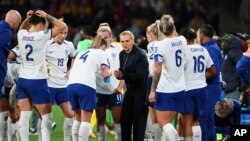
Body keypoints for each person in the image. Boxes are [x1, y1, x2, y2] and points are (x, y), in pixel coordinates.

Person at [16, 10, 66, 141]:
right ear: (41, 25)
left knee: (25, 115)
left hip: (22, 79)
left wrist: (26, 19)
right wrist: (46, 15)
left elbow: (21, 28)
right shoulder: (40, 36)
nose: (46, 28)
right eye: (45, 25)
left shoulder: (21, 34)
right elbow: (62, 27)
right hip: (37, 80)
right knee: (46, 117)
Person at [148, 14, 186, 141]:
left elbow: (157, 68)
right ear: (173, 26)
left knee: (163, 122)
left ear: (160, 29)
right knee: (169, 122)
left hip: (165, 89)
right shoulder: (182, 40)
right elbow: (174, 34)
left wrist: (153, 90)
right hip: (180, 88)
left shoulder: (159, 45)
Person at [68, 35, 111, 141]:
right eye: (105, 47)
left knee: (77, 117)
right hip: (86, 85)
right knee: (86, 120)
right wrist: (111, 73)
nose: (106, 50)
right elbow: (105, 74)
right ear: (102, 45)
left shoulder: (82, 52)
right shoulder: (101, 53)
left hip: (71, 84)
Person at [178, 27, 216, 141]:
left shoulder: (183, 51)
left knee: (187, 121)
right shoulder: (203, 49)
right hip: (201, 89)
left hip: (187, 89)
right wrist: (199, 76)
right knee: (196, 121)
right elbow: (213, 71)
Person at [114, 30, 149, 141]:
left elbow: (141, 75)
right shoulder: (122, 54)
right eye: (122, 41)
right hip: (130, 91)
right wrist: (118, 73)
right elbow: (122, 70)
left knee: (138, 122)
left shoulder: (140, 55)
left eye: (127, 41)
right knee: (125, 120)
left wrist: (123, 75)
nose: (124, 44)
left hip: (141, 92)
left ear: (133, 41)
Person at [46, 23, 76, 141]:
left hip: (63, 85)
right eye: (61, 33)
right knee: (46, 116)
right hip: (49, 84)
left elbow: (74, 56)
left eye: (65, 33)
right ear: (54, 32)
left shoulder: (69, 45)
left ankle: (67, 139)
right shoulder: (46, 44)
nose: (63, 36)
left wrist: (70, 70)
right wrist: (45, 67)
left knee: (70, 114)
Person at [95, 23, 124, 141]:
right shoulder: (94, 51)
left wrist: (121, 85)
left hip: (115, 89)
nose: (104, 41)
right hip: (99, 89)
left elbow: (124, 68)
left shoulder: (118, 49)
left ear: (111, 37)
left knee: (118, 118)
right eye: (101, 38)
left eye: (106, 38)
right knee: (100, 118)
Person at [197, 24, 223, 141]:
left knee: (204, 117)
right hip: (208, 87)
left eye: (198, 33)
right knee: (208, 117)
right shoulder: (208, 47)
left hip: (211, 87)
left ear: (202, 34)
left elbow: (213, 72)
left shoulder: (211, 48)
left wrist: (196, 77)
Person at [0, 9, 21, 141]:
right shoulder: (6, 32)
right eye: (18, 23)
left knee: (5, 109)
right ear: (14, 23)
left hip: (4, 74)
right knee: (5, 109)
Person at [145, 20, 164, 141]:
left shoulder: (151, 45)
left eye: (147, 35)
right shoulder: (163, 44)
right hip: (164, 80)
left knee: (154, 114)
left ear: (151, 34)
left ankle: (157, 138)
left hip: (153, 79)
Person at [220, 34, 243, 100]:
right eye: (222, 41)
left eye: (225, 42)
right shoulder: (227, 53)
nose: (222, 44)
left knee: (232, 109)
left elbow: (242, 68)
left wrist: (241, 85)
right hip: (227, 89)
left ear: (232, 43)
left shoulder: (235, 52)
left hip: (233, 90)